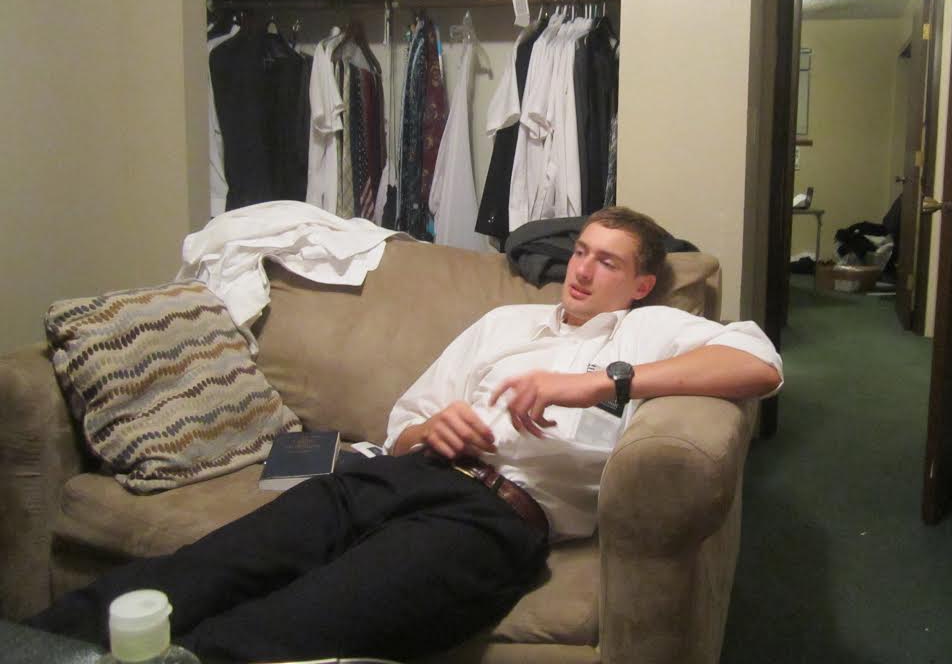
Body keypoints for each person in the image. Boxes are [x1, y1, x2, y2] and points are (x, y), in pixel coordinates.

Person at [29, 207, 782, 662]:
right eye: (580, 251)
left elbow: (759, 365)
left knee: (290, 625)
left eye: (606, 261)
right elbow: (401, 426)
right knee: (206, 569)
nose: (581, 270)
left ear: (641, 283)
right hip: (391, 476)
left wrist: (599, 383)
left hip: (493, 516)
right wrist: (431, 426)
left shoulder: (652, 329)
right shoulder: (505, 323)